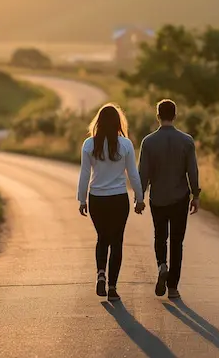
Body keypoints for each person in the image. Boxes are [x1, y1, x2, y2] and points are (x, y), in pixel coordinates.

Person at [77, 103, 144, 302]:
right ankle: (112, 287)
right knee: (117, 242)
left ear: (98, 121)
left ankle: (100, 274)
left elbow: (84, 174)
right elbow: (133, 174)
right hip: (118, 199)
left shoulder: (89, 144)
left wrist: (82, 199)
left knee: (102, 238)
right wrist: (139, 198)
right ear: (118, 122)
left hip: (97, 198)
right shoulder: (125, 145)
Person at [137, 99, 200, 300]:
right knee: (177, 241)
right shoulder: (187, 141)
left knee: (160, 236)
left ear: (158, 116)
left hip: (158, 198)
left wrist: (140, 198)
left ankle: (161, 264)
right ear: (175, 115)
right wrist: (195, 195)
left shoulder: (148, 142)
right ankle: (173, 287)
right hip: (180, 197)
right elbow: (192, 170)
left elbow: (143, 173)